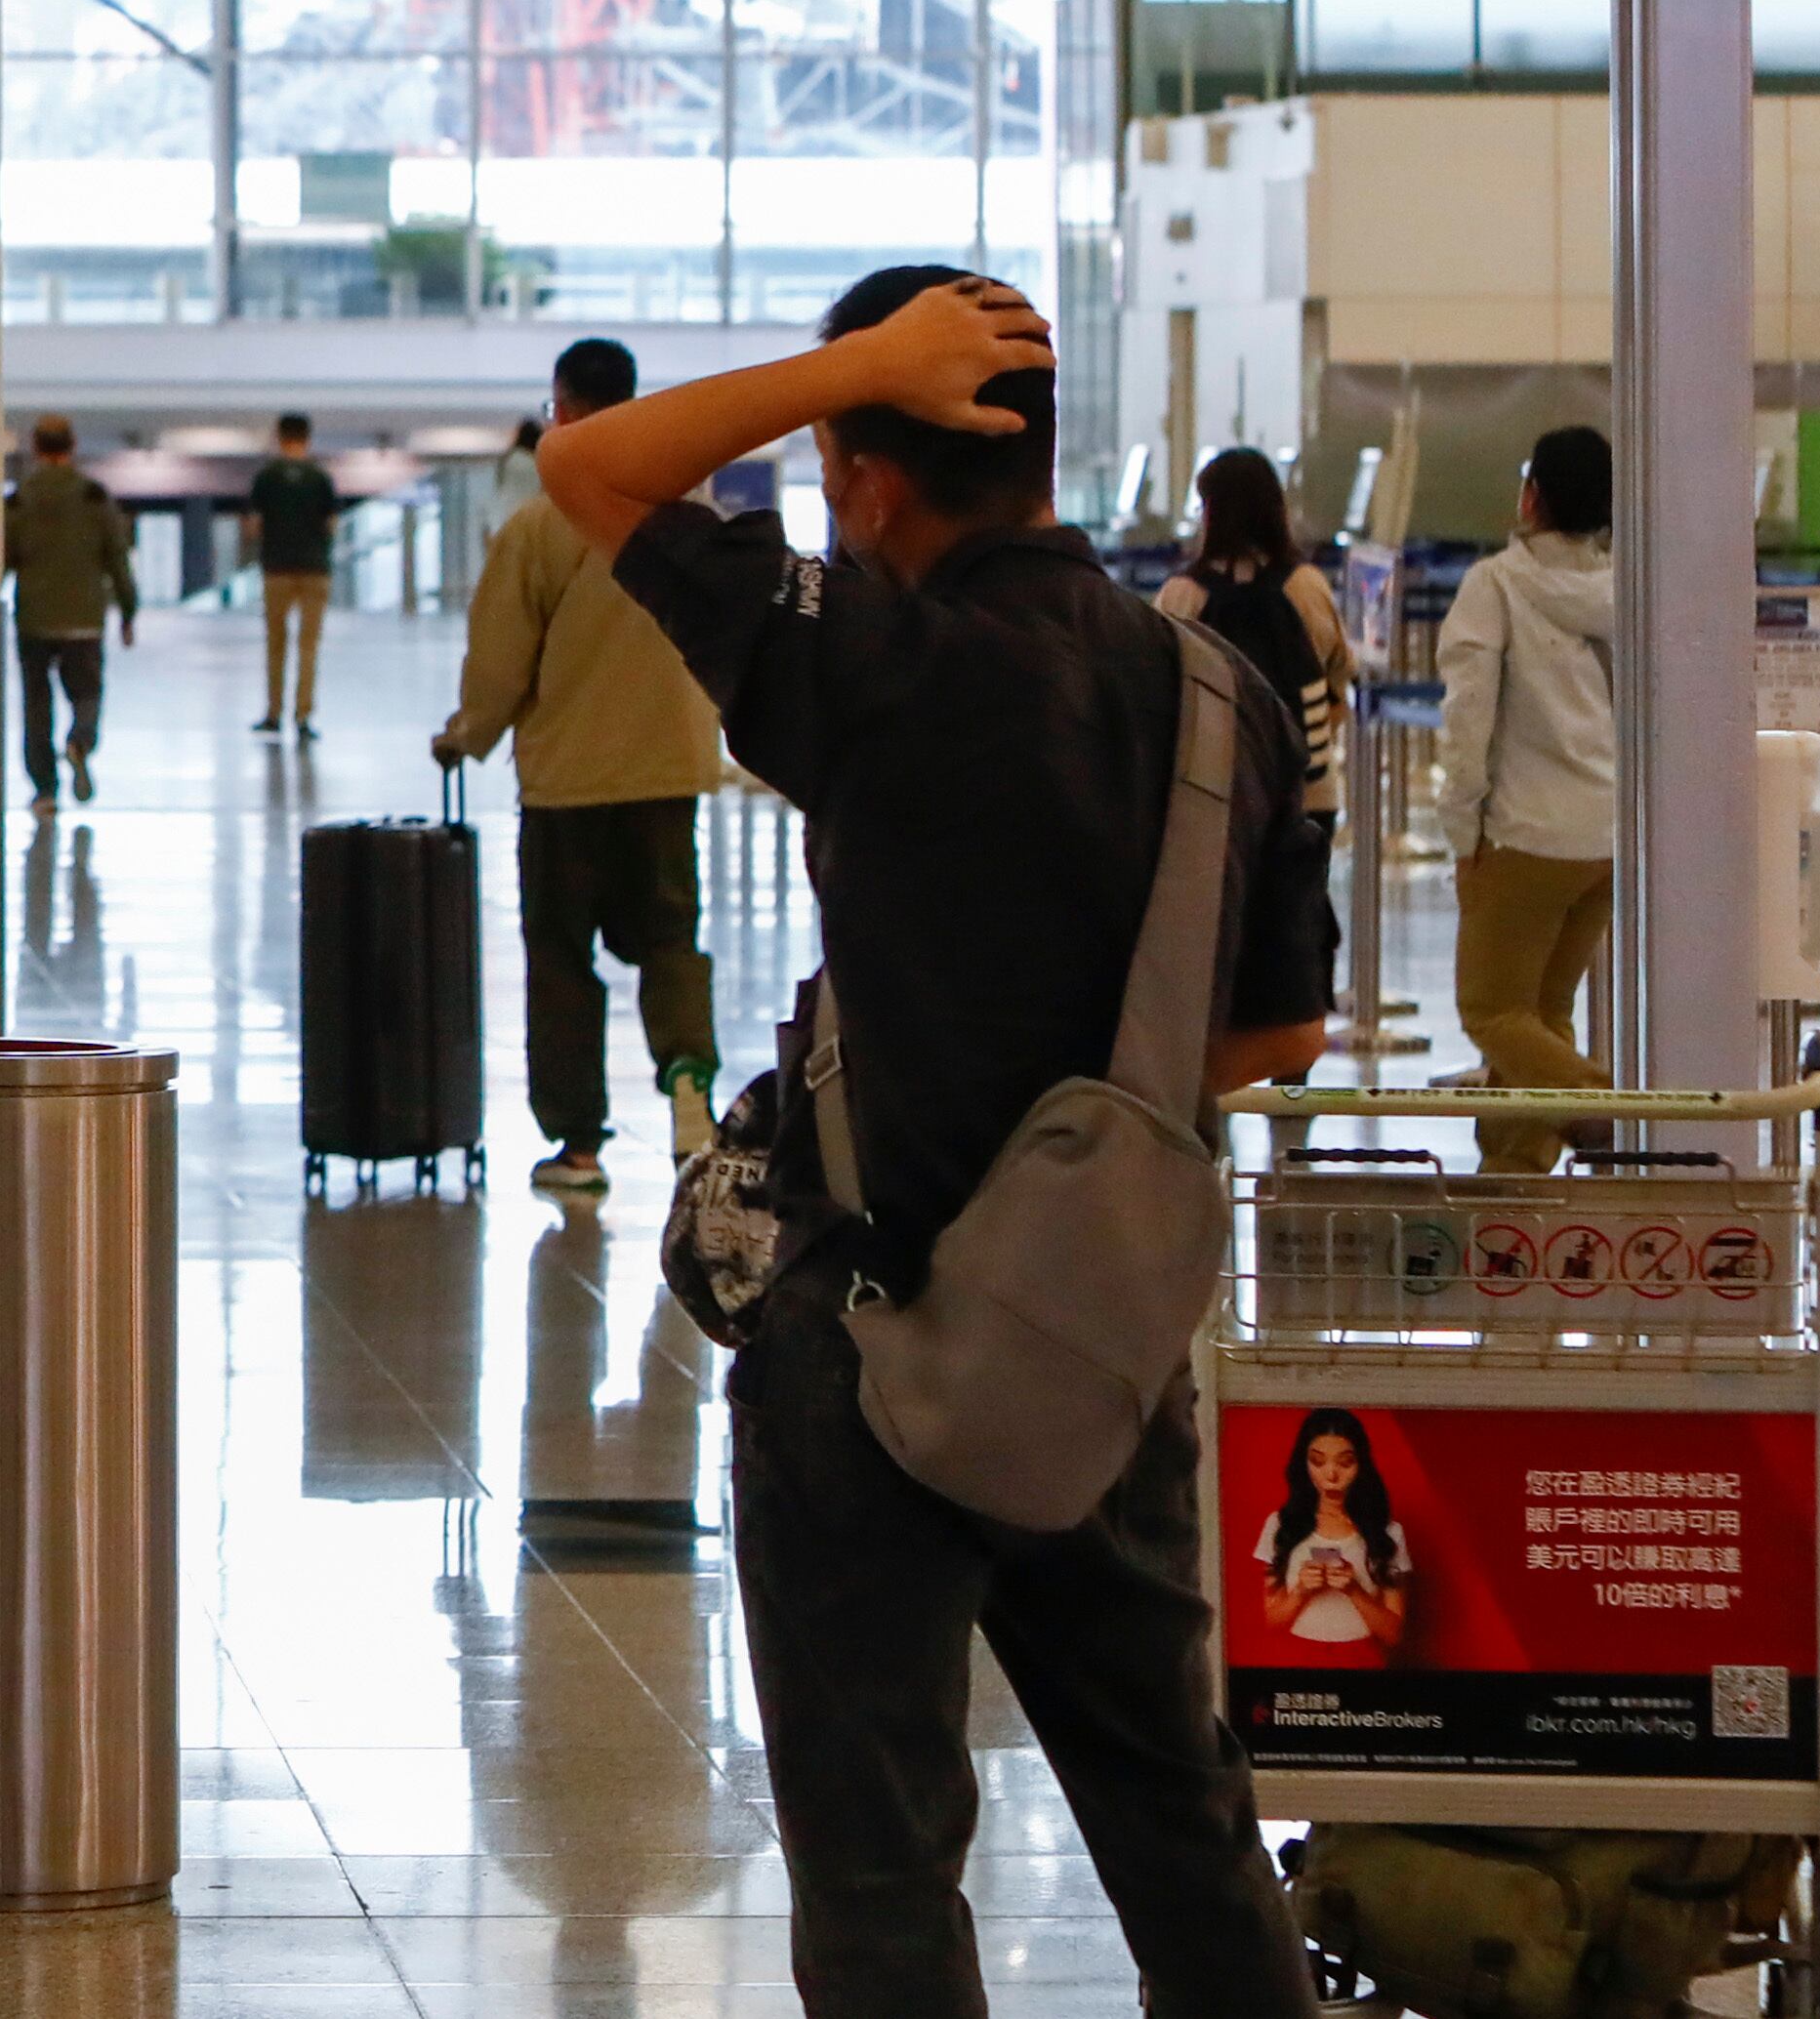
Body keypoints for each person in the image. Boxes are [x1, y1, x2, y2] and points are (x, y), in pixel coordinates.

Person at [539, 265, 1332, 2019]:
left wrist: (851, 369)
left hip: (870, 1348)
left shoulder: (876, 658)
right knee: (1182, 1821)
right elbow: (1280, 1030)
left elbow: (592, 470)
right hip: (1101, 1353)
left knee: (884, 1860)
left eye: (841, 461)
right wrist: (1084, 1072)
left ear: (867, 475)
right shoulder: (1218, 694)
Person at [436, 336, 724, 1199]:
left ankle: (579, 1148)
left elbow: (500, 661)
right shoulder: (686, 513)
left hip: (568, 784)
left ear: (562, 406)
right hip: (669, 773)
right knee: (670, 940)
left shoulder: (542, 524)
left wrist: (465, 734)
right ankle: (687, 1090)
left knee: (563, 958)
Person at [1435, 425, 1619, 1175]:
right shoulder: (1624, 588)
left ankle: (1599, 1101)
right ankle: (1512, 1188)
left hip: (1522, 838)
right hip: (1606, 838)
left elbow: (1468, 715)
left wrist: (1462, 826)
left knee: (1490, 1009)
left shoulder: (1497, 585)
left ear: (1531, 495)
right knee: (1542, 1014)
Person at [1158, 447, 1351, 821]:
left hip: (1212, 794)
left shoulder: (1181, 596)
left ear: (1211, 514)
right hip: (1307, 793)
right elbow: (1340, 679)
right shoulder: (1308, 587)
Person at [3, 415, 137, 807]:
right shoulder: (93, 497)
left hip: (33, 619)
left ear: (35, 447)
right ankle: (80, 741)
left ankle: (45, 789)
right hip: (83, 619)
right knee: (87, 691)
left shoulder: (20, 498)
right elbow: (117, 558)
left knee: (36, 702)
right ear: (72, 446)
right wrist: (128, 610)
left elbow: (3, 559)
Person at [1253, 1408, 1414, 1664]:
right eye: (1318, 1461)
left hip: (1362, 1660)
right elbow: (1272, 1622)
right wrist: (1301, 1591)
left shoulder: (1387, 1532)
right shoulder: (1280, 1525)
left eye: (1344, 1462)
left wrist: (1354, 1591)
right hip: (1296, 1661)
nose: (1331, 1475)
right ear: (1303, 1464)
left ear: (1361, 1465)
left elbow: (1393, 1634)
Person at [246, 414, 344, 739]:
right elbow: (331, 525)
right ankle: (303, 716)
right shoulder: (320, 478)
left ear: (279, 436)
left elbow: (253, 526)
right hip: (315, 569)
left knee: (276, 643)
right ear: (307, 438)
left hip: (276, 569)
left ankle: (273, 714)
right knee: (309, 645)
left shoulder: (267, 478)